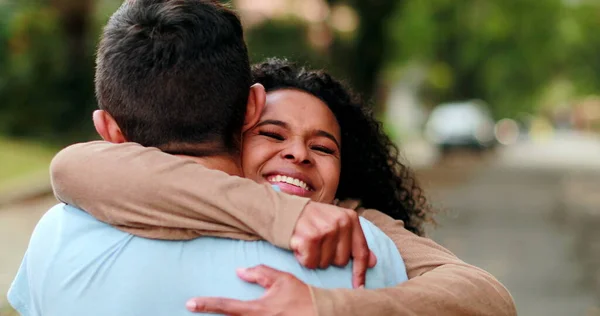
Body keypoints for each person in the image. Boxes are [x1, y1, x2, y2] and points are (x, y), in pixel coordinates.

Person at [7, 1, 408, 315]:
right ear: (253, 107)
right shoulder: (362, 252)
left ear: (108, 129)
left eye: (321, 147)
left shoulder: (56, 237)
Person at [48, 57, 517, 316]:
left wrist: (327, 306)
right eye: (272, 135)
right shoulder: (184, 188)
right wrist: (286, 217)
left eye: (324, 147)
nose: (299, 154)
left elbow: (487, 297)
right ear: (233, 137)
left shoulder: (358, 225)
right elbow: (75, 166)